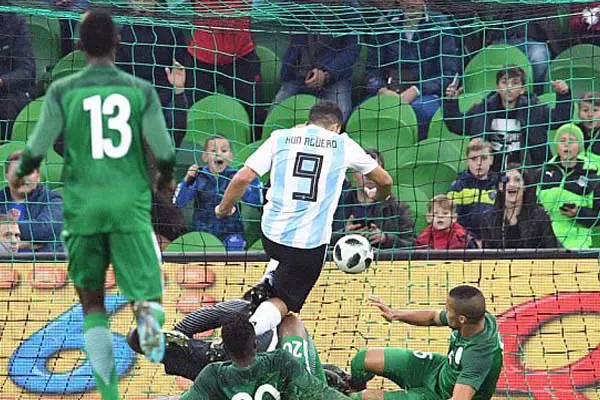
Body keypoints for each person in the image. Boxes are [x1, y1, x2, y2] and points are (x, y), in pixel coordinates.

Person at [9, 10, 176, 400]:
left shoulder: (63, 90)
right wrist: (164, 181)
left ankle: (109, 394)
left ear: (79, 45)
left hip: (83, 210)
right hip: (129, 208)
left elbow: (36, 148)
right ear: (117, 43)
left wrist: (21, 174)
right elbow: (166, 153)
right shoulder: (140, 90)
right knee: (147, 291)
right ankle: (149, 323)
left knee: (93, 307)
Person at [216, 102, 393, 339]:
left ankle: (268, 280)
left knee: (283, 260)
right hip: (308, 248)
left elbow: (242, 178)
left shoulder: (280, 138)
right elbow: (385, 181)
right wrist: (379, 197)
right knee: (284, 301)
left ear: (309, 121)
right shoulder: (343, 144)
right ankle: (243, 336)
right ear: (337, 127)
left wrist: (224, 208)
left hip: (271, 237)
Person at [348, 285, 503, 400]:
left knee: (363, 398)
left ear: (462, 319)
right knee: (361, 360)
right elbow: (432, 317)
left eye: (448, 310)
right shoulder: (477, 318)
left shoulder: (478, 357)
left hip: (441, 396)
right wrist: (395, 314)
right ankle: (351, 390)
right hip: (439, 370)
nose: (445, 313)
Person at [177, 313, 352, 399]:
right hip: (307, 383)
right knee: (291, 323)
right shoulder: (280, 361)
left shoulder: (213, 376)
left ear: (226, 350)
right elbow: (319, 394)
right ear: (255, 343)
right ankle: (338, 380)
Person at [364, 0, 462, 139]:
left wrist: (416, 90)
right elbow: (371, 70)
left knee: (419, 112)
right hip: (388, 92)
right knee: (360, 114)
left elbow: (448, 74)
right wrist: (381, 90)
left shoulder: (440, 25)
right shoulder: (383, 24)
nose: (410, 3)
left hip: (427, 94)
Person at [444, 65, 572, 171]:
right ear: (497, 87)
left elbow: (559, 119)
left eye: (515, 83)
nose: (509, 87)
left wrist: (564, 95)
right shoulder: (483, 109)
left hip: (528, 173)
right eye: (504, 82)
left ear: (522, 89)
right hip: (490, 174)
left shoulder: (534, 109)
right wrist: (451, 102)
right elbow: (457, 126)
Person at [185, 0, 265, 140]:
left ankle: (254, 150)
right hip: (201, 58)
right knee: (188, 111)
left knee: (255, 114)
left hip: (241, 57)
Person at [271, 0, 360, 121]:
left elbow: (352, 51)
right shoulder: (299, 5)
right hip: (298, 75)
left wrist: (326, 73)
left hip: (335, 78)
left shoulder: (350, 7)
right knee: (274, 116)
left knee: (340, 117)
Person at [174, 135, 263, 251]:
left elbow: (256, 201)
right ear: (205, 157)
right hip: (204, 234)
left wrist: (251, 179)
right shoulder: (198, 177)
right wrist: (187, 179)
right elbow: (179, 202)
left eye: (224, 150)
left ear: (230, 156)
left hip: (231, 232)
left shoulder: (236, 177)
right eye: (213, 151)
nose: (218, 154)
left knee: (235, 244)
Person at [331, 148, 414, 249]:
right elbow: (319, 240)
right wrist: (343, 235)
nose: (368, 176)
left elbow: (412, 244)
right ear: (353, 174)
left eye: (374, 171)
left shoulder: (397, 208)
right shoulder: (335, 204)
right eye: (362, 170)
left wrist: (386, 239)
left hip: (382, 258)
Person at [537, 124, 600, 249]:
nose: (567, 145)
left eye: (572, 141)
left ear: (580, 146)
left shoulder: (592, 176)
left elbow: (597, 217)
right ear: (557, 146)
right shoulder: (543, 173)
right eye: (562, 141)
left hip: (577, 243)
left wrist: (578, 212)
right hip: (545, 241)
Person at [117, 0, 190, 106]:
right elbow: (122, 70)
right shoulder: (124, 33)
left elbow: (180, 67)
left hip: (167, 94)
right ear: (129, 3)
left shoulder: (172, 30)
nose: (142, 5)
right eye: (137, 0)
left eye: (146, 0)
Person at [480, 163, 561, 249]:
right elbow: (487, 254)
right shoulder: (488, 219)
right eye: (506, 180)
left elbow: (551, 249)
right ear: (500, 186)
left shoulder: (539, 216)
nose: (512, 184)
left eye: (517, 180)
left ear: (525, 186)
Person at [0, 151, 63, 253]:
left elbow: (45, 229)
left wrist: (5, 235)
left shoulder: (53, 199)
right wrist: (22, 244)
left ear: (38, 176)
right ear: (6, 176)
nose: (23, 178)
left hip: (43, 261)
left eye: (28, 172)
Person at [448, 138, 498, 240]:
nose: (479, 163)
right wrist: (470, 239)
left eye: (483, 158)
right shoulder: (458, 186)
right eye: (474, 159)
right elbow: (453, 219)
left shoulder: (499, 185)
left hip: (493, 239)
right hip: (465, 240)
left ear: (491, 160)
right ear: (467, 161)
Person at [0, 11, 35, 140]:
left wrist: (2, 81)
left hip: (10, 92)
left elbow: (26, 72)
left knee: (7, 107)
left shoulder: (15, 22)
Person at [576, 92, 600, 167]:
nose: (590, 115)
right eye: (585, 110)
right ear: (578, 113)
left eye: (595, 110)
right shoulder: (573, 131)